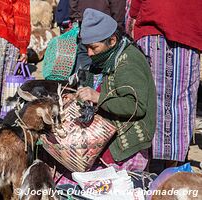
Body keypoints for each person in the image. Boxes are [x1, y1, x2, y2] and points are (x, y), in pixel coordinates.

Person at [42, 8, 156, 185]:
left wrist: (98, 97)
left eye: (94, 47)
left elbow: (136, 106)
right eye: (87, 47)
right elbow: (94, 87)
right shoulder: (105, 58)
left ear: (112, 40)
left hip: (125, 144)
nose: (89, 53)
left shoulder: (128, 62)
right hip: (106, 132)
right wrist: (77, 98)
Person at [129, 0, 202, 171]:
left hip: (153, 31)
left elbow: (134, 9)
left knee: (147, 97)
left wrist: (133, 17)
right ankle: (171, 166)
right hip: (188, 32)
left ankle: (146, 165)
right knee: (181, 102)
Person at [68, 0, 127, 86]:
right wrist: (117, 27)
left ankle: (87, 87)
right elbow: (117, 6)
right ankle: (94, 88)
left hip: (86, 20)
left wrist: (76, 16)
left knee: (86, 53)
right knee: (97, 55)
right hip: (104, 25)